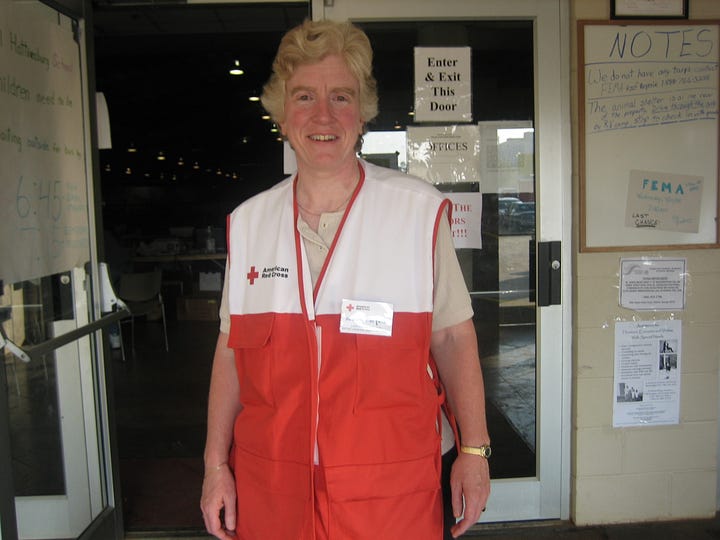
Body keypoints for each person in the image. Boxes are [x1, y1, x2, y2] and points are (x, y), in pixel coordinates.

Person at [200, 19, 490, 540]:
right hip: (274, 496)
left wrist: (474, 450)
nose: (323, 115)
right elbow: (230, 353)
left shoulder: (417, 214)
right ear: (282, 116)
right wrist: (215, 466)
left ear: (362, 115)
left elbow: (452, 337)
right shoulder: (249, 224)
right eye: (305, 96)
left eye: (341, 96)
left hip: (391, 496)